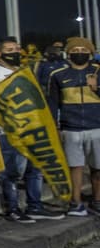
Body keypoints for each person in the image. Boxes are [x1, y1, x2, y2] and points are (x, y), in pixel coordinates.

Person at [0, 38, 61, 222]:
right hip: (8, 132)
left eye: (17, 48)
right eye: (9, 49)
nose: (15, 52)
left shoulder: (23, 72)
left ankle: (35, 206)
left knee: (35, 170)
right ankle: (13, 208)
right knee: (11, 173)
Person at [46, 37, 100, 217]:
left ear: (91, 53)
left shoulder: (98, 72)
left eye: (83, 50)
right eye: (75, 50)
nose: (79, 53)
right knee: (74, 167)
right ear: (68, 54)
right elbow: (53, 104)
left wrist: (96, 88)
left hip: (97, 127)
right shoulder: (58, 75)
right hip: (71, 128)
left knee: (97, 168)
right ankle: (75, 202)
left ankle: (97, 200)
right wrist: (54, 126)